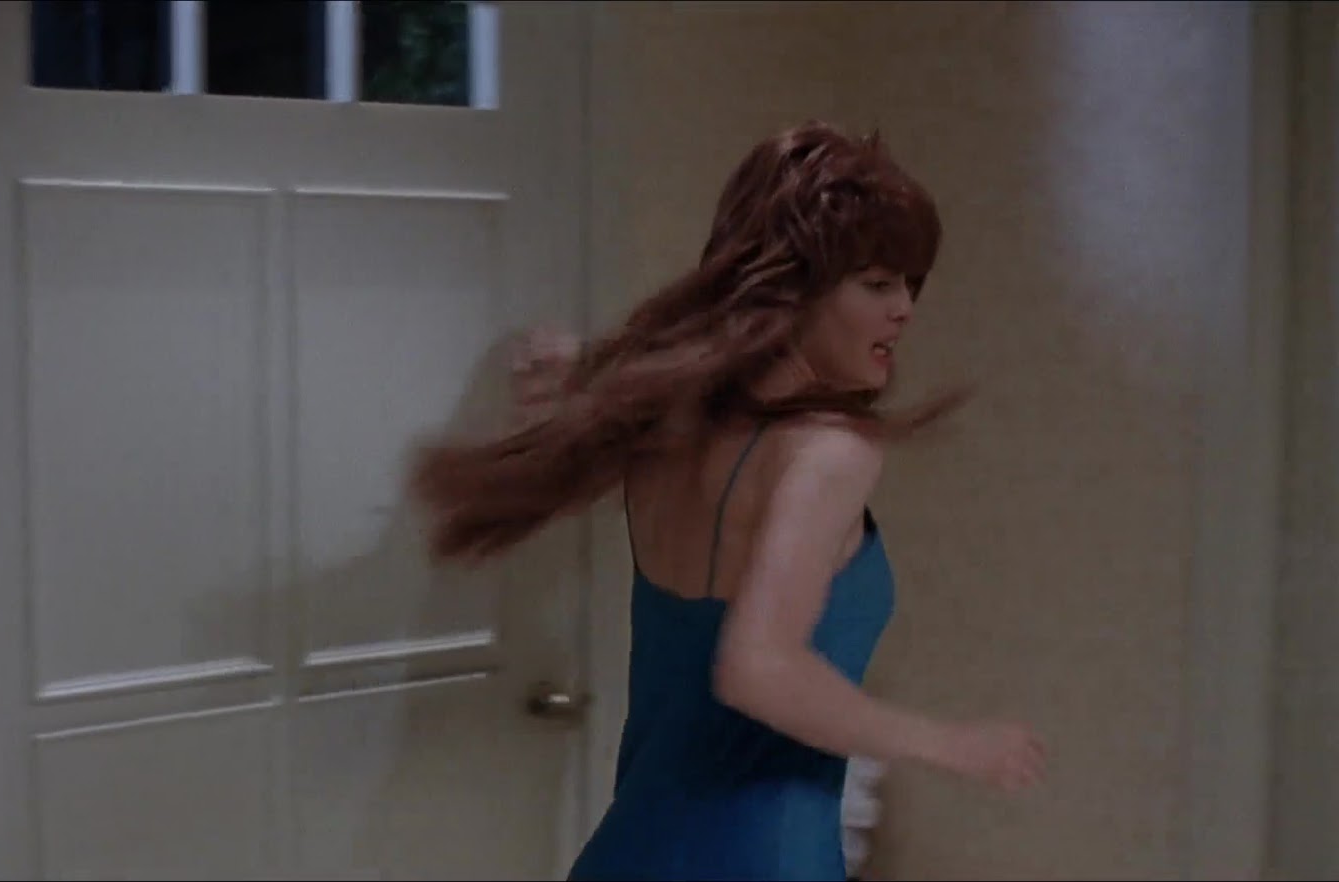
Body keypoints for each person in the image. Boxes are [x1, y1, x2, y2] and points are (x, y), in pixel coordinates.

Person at [409, 121, 1047, 881]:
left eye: (910, 284)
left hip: (628, 854)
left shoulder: (667, 419)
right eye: (877, 284)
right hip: (763, 857)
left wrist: (580, 360)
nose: (904, 308)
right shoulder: (828, 452)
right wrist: (953, 745)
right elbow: (758, 669)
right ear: (794, 289)